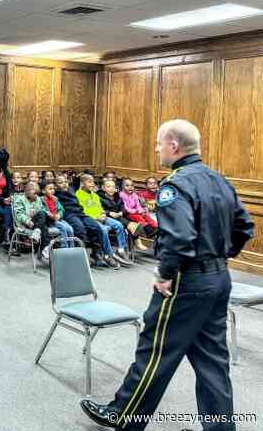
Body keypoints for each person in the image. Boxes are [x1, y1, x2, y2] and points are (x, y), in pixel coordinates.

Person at [81, 119, 255, 431]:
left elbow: (180, 238)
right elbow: (244, 227)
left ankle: (123, 416)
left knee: (155, 351)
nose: (157, 148)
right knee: (213, 359)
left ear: (174, 146)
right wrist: (218, 257)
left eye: (160, 143)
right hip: (218, 279)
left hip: (185, 283)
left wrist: (165, 273)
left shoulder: (175, 185)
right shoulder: (219, 180)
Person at [55, 174, 116, 268]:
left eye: (65, 182)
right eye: (60, 183)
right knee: (80, 230)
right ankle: (79, 257)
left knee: (96, 227)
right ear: (56, 185)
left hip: (80, 212)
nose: (64, 184)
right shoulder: (56, 194)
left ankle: (96, 255)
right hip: (69, 214)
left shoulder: (71, 190)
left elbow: (77, 183)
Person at [76, 174, 132, 267]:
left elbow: (100, 207)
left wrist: (102, 214)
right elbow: (83, 211)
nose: (92, 184)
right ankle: (108, 255)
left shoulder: (95, 195)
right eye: (89, 182)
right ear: (82, 183)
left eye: (93, 182)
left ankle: (121, 250)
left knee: (118, 225)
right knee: (104, 229)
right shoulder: (78, 195)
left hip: (101, 216)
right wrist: (96, 217)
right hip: (92, 219)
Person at [98, 178, 147, 251]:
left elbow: (123, 207)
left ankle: (136, 239)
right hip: (108, 217)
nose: (111, 189)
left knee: (129, 218)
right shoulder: (100, 197)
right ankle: (132, 229)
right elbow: (100, 210)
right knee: (125, 222)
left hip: (119, 216)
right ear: (103, 188)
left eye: (113, 187)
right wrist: (109, 213)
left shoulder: (117, 197)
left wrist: (121, 212)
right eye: (108, 187)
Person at [12, 181, 51, 260]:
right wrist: (27, 221)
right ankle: (45, 248)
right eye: (35, 194)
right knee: (43, 224)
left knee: (42, 215)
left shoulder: (38, 199)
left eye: (37, 194)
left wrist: (48, 213)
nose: (36, 196)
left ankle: (38, 232)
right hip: (24, 224)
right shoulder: (20, 200)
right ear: (27, 192)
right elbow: (19, 214)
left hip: (36, 223)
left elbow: (40, 211)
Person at [119, 178, 158, 248]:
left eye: (131, 185)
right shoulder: (121, 195)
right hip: (128, 214)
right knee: (137, 217)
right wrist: (135, 211)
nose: (130, 187)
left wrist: (140, 210)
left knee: (146, 216)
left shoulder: (134, 195)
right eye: (127, 186)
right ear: (122, 187)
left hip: (136, 212)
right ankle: (147, 230)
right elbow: (125, 208)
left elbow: (138, 205)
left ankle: (155, 227)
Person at [40, 180, 74, 248]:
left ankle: (71, 247)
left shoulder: (55, 199)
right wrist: (49, 214)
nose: (52, 191)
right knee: (63, 228)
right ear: (43, 191)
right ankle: (64, 248)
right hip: (50, 221)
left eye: (53, 189)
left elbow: (61, 209)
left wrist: (59, 214)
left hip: (58, 219)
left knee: (70, 228)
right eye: (50, 189)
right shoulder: (41, 199)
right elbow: (41, 209)